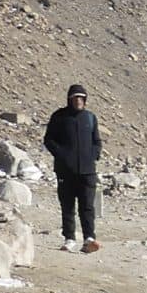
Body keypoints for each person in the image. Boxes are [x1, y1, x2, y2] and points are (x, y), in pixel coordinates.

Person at [41, 82, 101, 253]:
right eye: (75, 98)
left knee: (87, 206)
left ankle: (89, 238)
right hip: (65, 171)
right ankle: (69, 238)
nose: (78, 101)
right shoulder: (59, 117)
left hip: (87, 171)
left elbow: (97, 141)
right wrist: (61, 155)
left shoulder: (90, 117)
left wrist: (94, 155)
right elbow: (49, 140)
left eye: (81, 98)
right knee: (67, 206)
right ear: (69, 99)